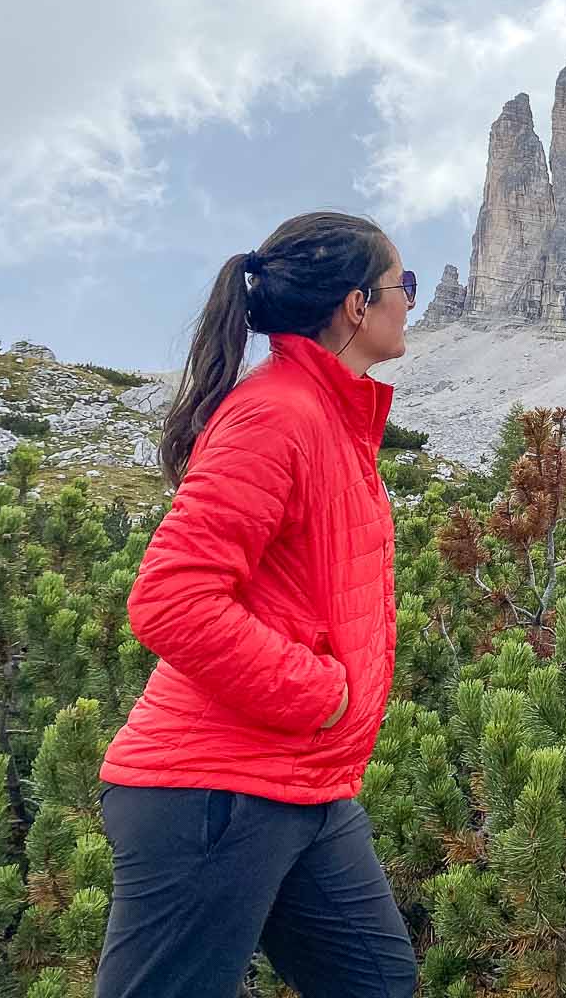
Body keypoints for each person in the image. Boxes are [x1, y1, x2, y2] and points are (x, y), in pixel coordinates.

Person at [95, 211, 419, 997]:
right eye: (402, 284)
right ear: (357, 304)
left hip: (305, 783)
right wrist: (320, 695)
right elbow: (170, 598)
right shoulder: (277, 414)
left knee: (378, 983)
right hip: (213, 787)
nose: (411, 301)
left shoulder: (329, 416)